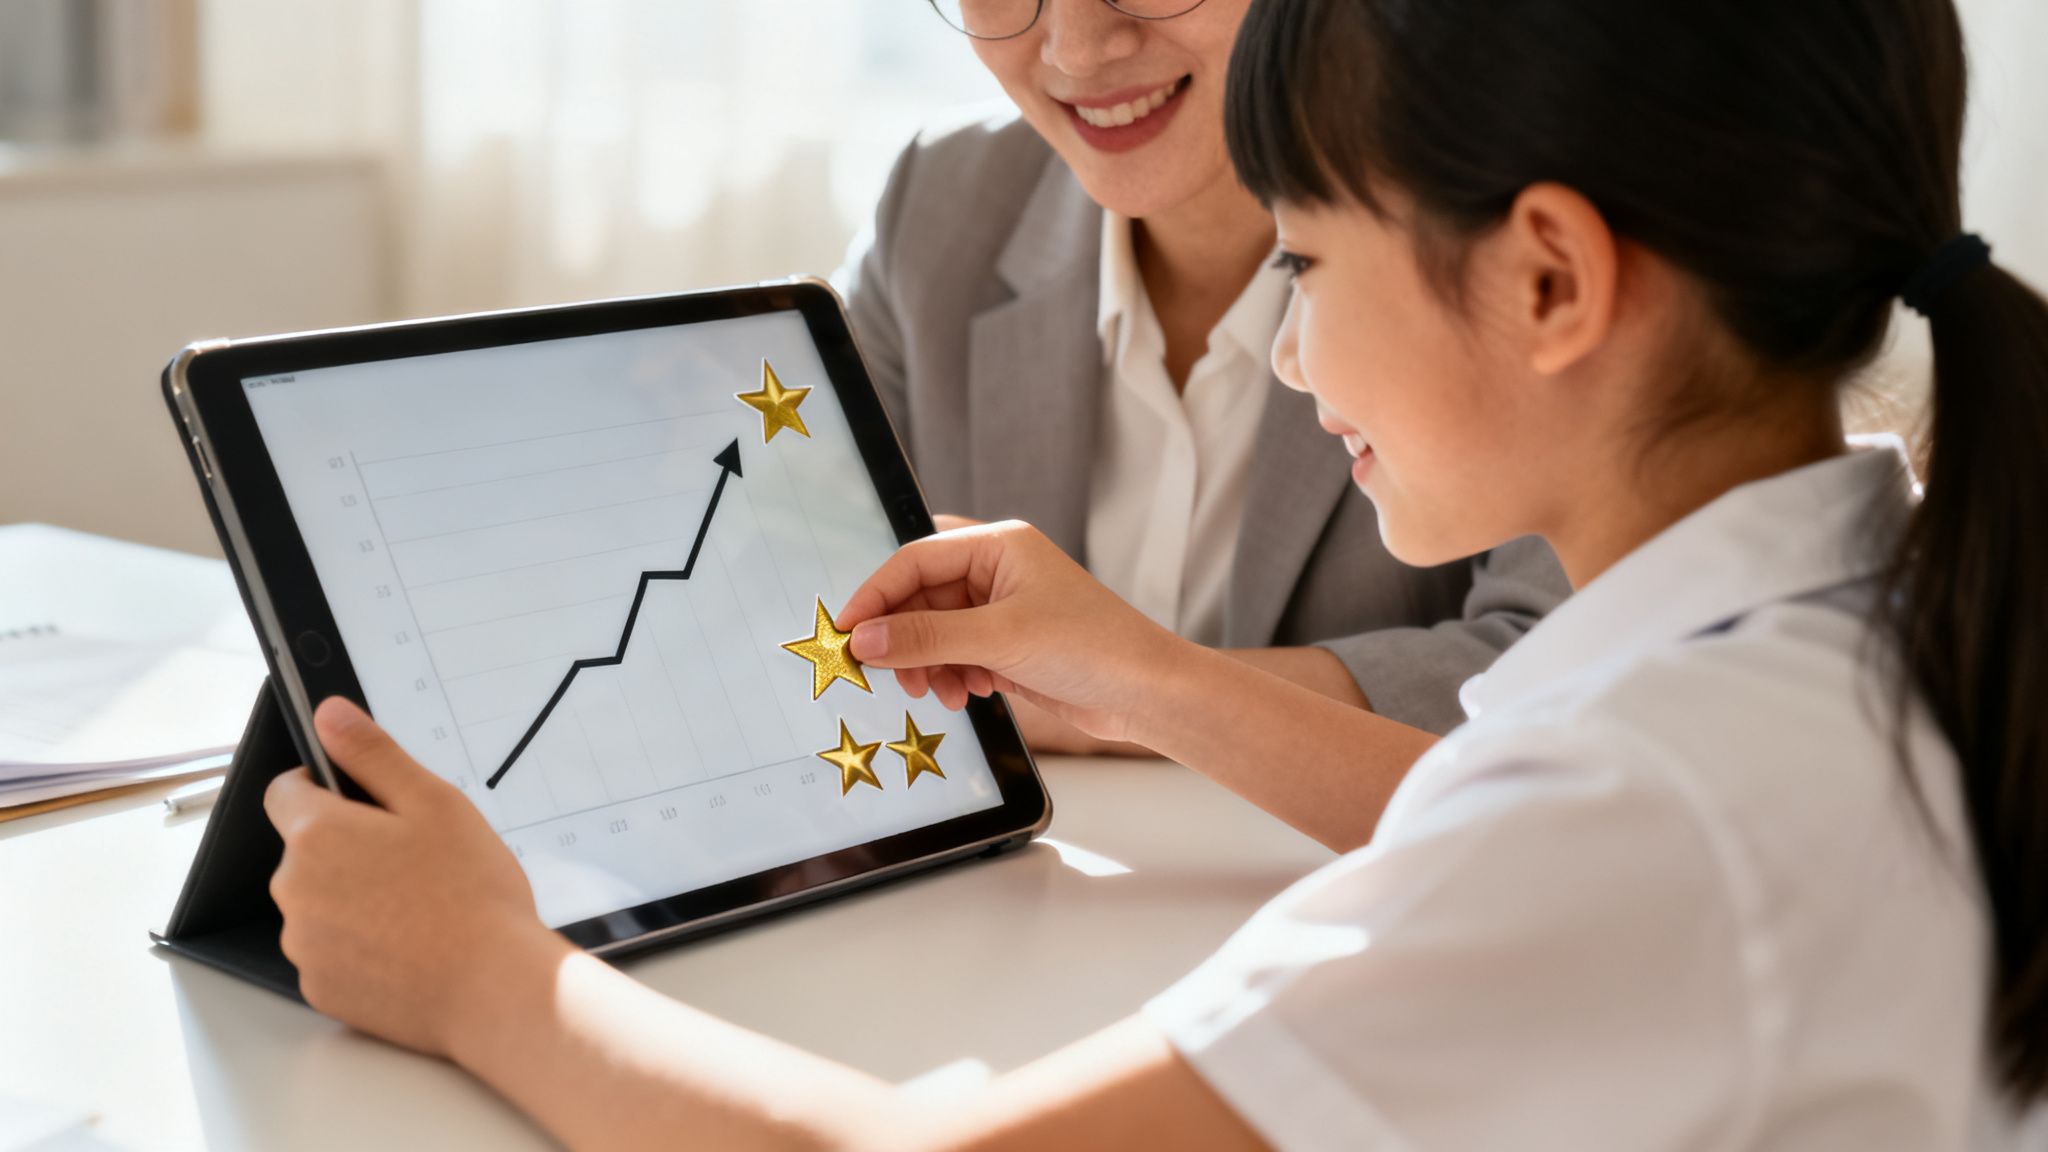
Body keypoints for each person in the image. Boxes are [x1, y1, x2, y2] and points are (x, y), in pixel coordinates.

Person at [261, 0, 2048, 1146]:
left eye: (1312, 266)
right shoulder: (1864, 624)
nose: (1290, 349)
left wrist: (486, 976)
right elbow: (1495, 813)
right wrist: (1135, 677)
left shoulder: (1632, 810)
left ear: (1549, 281)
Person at [836, 0, 1569, 753]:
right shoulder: (939, 205)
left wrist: (1102, 690)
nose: (1078, 50)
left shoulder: (1511, 207)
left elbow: (1574, 674)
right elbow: (803, 579)